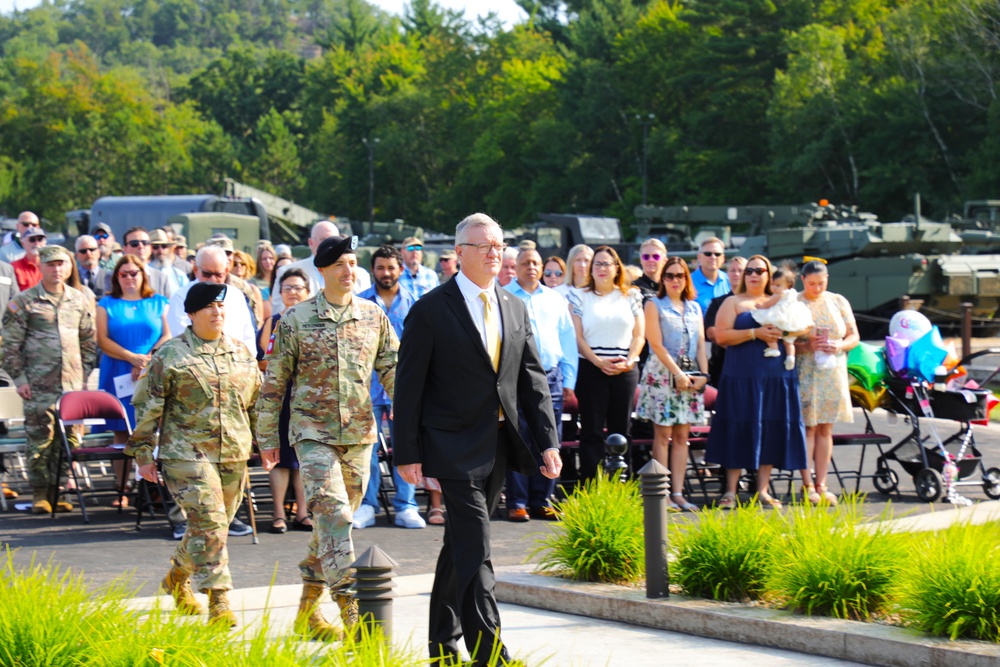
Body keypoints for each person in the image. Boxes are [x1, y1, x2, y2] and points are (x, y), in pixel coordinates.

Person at [393, 213, 561, 666]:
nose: (494, 253)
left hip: (498, 445)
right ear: (460, 253)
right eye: (484, 245)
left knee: (460, 548)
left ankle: (442, 648)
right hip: (449, 447)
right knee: (478, 547)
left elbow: (532, 379)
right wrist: (407, 453)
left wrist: (548, 441)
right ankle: (490, 654)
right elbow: (408, 388)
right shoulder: (430, 309)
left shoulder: (514, 306)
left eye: (499, 245)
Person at [256, 235, 398, 642]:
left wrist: (417, 416)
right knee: (335, 518)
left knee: (330, 529)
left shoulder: (373, 315)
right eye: (339, 264)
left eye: (353, 263)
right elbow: (274, 384)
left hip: (359, 435)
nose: (348, 271)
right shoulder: (296, 320)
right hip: (312, 435)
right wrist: (267, 437)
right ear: (322, 271)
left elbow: (393, 369)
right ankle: (353, 616)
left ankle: (305, 611)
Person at [129, 282, 260, 628]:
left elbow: (257, 403)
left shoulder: (240, 352)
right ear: (190, 314)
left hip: (233, 451)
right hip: (185, 453)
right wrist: (143, 454)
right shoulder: (170, 355)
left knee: (212, 526)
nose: (217, 313)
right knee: (211, 523)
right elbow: (147, 408)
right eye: (208, 308)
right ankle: (218, 600)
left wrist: (267, 441)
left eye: (221, 306)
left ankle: (177, 576)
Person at [704, 255, 807, 509]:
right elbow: (722, 336)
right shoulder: (733, 302)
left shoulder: (781, 301)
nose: (753, 274)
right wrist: (755, 333)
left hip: (777, 377)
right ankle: (730, 491)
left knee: (771, 429)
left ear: (769, 276)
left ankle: (762, 490)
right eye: (749, 270)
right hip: (741, 377)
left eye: (759, 270)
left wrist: (792, 333)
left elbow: (801, 327)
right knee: (737, 429)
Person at [2, 246, 97, 514]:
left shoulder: (78, 300)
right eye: (51, 264)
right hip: (38, 384)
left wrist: (84, 376)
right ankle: (40, 494)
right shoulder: (24, 301)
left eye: (61, 264)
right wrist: (20, 378)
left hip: (72, 386)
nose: (57, 269)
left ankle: (60, 492)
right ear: (41, 267)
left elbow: (89, 341)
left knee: (68, 441)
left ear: (69, 267)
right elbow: (8, 345)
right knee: (40, 440)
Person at [355, 244, 427, 530]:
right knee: (366, 450)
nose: (386, 273)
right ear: (373, 270)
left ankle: (406, 505)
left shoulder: (417, 304)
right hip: (366, 387)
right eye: (381, 267)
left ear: (401, 269)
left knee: (407, 448)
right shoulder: (359, 303)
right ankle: (367, 505)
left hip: (405, 388)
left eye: (391, 267)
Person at [504, 247, 577, 522]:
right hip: (516, 377)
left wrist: (570, 379)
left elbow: (567, 340)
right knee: (520, 438)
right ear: (516, 266)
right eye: (526, 263)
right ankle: (518, 501)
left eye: (536, 263)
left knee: (549, 438)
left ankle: (542, 500)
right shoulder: (505, 296)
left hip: (552, 376)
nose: (531, 267)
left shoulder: (555, 299)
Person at [635, 257, 708, 512]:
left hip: (689, 375)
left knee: (682, 436)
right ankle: (661, 494)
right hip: (663, 375)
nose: (675, 280)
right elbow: (655, 344)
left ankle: (678, 493)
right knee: (663, 434)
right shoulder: (654, 305)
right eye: (670, 276)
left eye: (680, 275)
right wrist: (677, 373)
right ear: (663, 279)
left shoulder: (695, 308)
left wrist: (704, 376)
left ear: (687, 278)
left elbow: (700, 344)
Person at [96, 255, 170, 507]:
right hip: (117, 367)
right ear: (117, 277)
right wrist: (131, 358)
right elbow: (102, 340)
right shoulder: (106, 303)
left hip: (151, 369)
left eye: (134, 272)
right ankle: (121, 488)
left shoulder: (159, 302)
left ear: (143, 274)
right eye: (123, 273)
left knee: (153, 429)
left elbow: (168, 335)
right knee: (122, 432)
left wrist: (147, 361)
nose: (129, 277)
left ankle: (152, 488)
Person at [567, 245, 645, 482]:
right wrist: (599, 362)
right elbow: (578, 338)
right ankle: (591, 486)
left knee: (622, 430)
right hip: (591, 369)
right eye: (597, 264)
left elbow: (639, 335)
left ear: (616, 268)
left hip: (625, 369)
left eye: (606, 264)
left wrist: (630, 360)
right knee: (591, 431)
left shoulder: (632, 295)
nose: (601, 268)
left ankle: (621, 487)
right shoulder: (578, 296)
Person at [795, 260, 859, 506]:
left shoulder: (837, 300)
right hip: (807, 368)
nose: (817, 288)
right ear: (803, 280)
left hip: (833, 369)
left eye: (821, 283)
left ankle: (822, 483)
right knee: (808, 426)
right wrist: (806, 346)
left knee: (825, 427)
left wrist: (840, 345)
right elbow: (785, 341)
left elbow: (854, 335)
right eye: (812, 284)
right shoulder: (796, 302)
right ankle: (807, 483)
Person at [257, 268, 312, 534]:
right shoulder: (273, 321)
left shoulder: (315, 320)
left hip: (308, 396)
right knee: (279, 457)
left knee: (302, 456)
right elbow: (262, 360)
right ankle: (278, 513)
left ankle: (303, 512)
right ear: (280, 293)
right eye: (287, 288)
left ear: (308, 292)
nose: (292, 292)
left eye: (298, 288)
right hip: (280, 394)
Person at [167, 246, 257, 353]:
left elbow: (248, 338)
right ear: (196, 270)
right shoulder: (181, 296)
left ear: (226, 271)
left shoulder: (236, 295)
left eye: (219, 274)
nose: (212, 279)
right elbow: (181, 336)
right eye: (207, 274)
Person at [270, 221, 372, 316]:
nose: (331, 246)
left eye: (333, 239)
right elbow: (278, 311)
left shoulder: (361, 275)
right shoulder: (288, 272)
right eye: (323, 240)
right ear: (310, 243)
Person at [751, 261, 813, 370]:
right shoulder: (793, 293)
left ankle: (774, 348)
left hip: (780, 317)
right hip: (791, 320)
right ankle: (790, 357)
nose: (774, 288)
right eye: (772, 284)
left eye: (778, 285)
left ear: (787, 285)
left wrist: (760, 306)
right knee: (789, 341)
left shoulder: (779, 294)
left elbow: (768, 304)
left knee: (770, 330)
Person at [705, 257, 746, 388]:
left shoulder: (758, 303)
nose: (736, 274)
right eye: (732, 270)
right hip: (722, 364)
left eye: (741, 270)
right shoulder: (717, 303)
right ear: (727, 274)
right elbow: (711, 332)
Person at [109, 227, 173, 298]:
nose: (141, 246)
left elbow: (169, 306)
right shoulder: (113, 277)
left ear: (150, 247)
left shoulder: (162, 278)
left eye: (145, 243)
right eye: (134, 244)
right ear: (125, 249)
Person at [690, 237, 731, 316]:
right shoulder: (688, 282)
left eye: (717, 254)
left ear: (723, 258)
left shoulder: (730, 281)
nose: (713, 257)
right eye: (708, 254)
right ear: (699, 257)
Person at [148, 229, 189, 294]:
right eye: (155, 247)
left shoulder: (179, 275)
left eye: (164, 246)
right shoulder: (142, 274)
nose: (160, 250)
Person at [11, 227, 46, 291]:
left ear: (45, 243)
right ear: (23, 243)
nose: (37, 243)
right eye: (32, 239)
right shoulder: (13, 268)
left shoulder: (51, 266)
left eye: (40, 239)